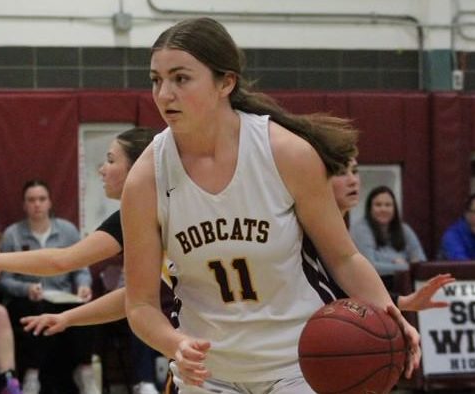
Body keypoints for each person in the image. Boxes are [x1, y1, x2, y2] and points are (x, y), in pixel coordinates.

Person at [120, 17, 420, 393]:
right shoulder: (146, 178)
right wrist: (175, 343)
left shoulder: (285, 153)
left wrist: (392, 317)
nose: (164, 94)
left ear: (225, 83)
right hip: (208, 373)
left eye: (180, 78)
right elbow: (141, 305)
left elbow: (343, 257)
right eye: (156, 79)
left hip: (301, 364)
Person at [0, 128, 168, 394]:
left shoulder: (163, 210)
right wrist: (68, 318)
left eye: (110, 160)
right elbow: (134, 297)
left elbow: (63, 261)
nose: (102, 169)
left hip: (205, 338)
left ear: (138, 168)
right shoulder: (136, 213)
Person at [304, 158, 454, 311]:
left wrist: (402, 302)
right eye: (342, 173)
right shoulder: (324, 229)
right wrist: (401, 269)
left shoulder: (403, 229)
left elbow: (419, 260)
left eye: (355, 172)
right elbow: (357, 272)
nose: (353, 181)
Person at [0, 179, 97, 394]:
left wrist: (83, 286)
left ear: (50, 202)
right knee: (35, 309)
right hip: (27, 299)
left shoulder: (68, 231)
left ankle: (85, 371)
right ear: (24, 205)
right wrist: (25, 290)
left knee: (86, 309)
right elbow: (3, 279)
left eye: (41, 199)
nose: (37, 204)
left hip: (62, 297)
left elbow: (81, 268)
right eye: (31, 200)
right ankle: (32, 376)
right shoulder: (12, 235)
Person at [350, 185, 427, 291]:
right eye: (378, 205)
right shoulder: (360, 229)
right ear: (369, 208)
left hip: (403, 287)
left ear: (394, 208)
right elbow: (370, 267)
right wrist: (401, 264)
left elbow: (420, 260)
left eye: (388, 205)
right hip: (372, 288)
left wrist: (380, 258)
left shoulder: (404, 229)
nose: (383, 209)